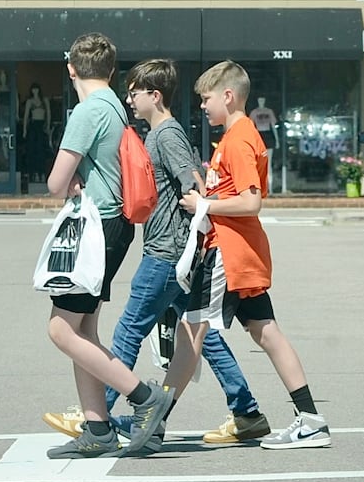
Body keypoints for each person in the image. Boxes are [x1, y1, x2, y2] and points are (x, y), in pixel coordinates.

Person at [41, 59, 271, 449]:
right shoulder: (155, 134)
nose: (129, 98)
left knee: (130, 328)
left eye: (134, 92)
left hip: (168, 252)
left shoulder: (167, 136)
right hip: (171, 250)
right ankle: (246, 411)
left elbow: (195, 184)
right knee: (200, 334)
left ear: (155, 95)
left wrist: (191, 240)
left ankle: (103, 415)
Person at [170, 60, 331, 449]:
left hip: (229, 253)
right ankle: (310, 419)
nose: (203, 107)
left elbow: (251, 201)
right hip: (242, 254)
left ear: (228, 96)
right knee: (266, 332)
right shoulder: (238, 136)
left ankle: (150, 416)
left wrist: (204, 206)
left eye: (206, 99)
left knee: (191, 332)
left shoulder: (239, 138)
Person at [41, 33, 172, 459]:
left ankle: (144, 397)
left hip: (97, 228)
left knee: (60, 329)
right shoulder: (115, 105)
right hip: (115, 226)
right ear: (112, 71)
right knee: (84, 329)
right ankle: (96, 427)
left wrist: (70, 182)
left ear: (71, 68)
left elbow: (55, 182)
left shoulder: (87, 110)